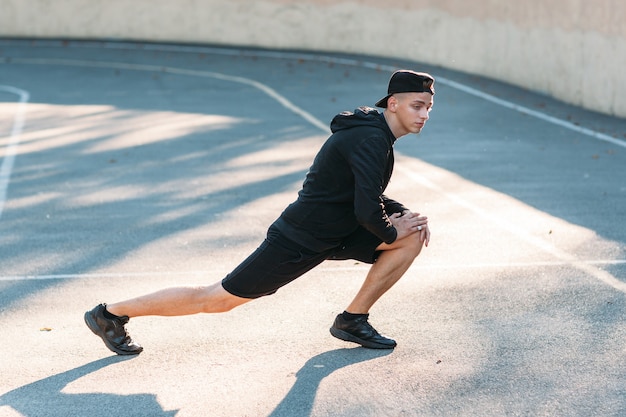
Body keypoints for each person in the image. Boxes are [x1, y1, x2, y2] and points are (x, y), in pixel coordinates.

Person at [84, 69, 434, 355]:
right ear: (393, 104)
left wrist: (404, 216)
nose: (424, 115)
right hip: (300, 238)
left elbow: (365, 191)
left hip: (337, 231)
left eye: (429, 108)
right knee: (216, 300)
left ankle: (352, 320)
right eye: (417, 106)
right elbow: (366, 208)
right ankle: (110, 314)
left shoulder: (376, 133)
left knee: (412, 235)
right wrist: (391, 231)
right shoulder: (370, 138)